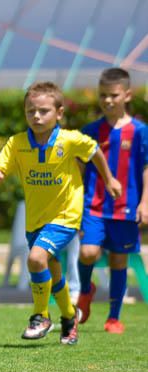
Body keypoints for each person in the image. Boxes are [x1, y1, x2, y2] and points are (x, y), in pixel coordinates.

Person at [0, 81, 121, 345]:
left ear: (59, 113)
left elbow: (94, 151)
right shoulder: (17, 143)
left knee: (36, 259)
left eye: (44, 111)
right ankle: (70, 318)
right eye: (31, 111)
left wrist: (109, 180)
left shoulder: (69, 140)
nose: (36, 116)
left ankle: (40, 316)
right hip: (36, 219)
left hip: (65, 217)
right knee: (54, 274)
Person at [76, 68, 148, 334]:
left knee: (119, 260)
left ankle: (113, 318)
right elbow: (79, 168)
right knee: (88, 252)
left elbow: (146, 169)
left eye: (113, 95)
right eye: (103, 95)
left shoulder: (141, 132)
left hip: (126, 207)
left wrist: (145, 203)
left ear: (127, 95)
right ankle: (86, 289)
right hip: (93, 206)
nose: (107, 100)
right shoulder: (90, 130)